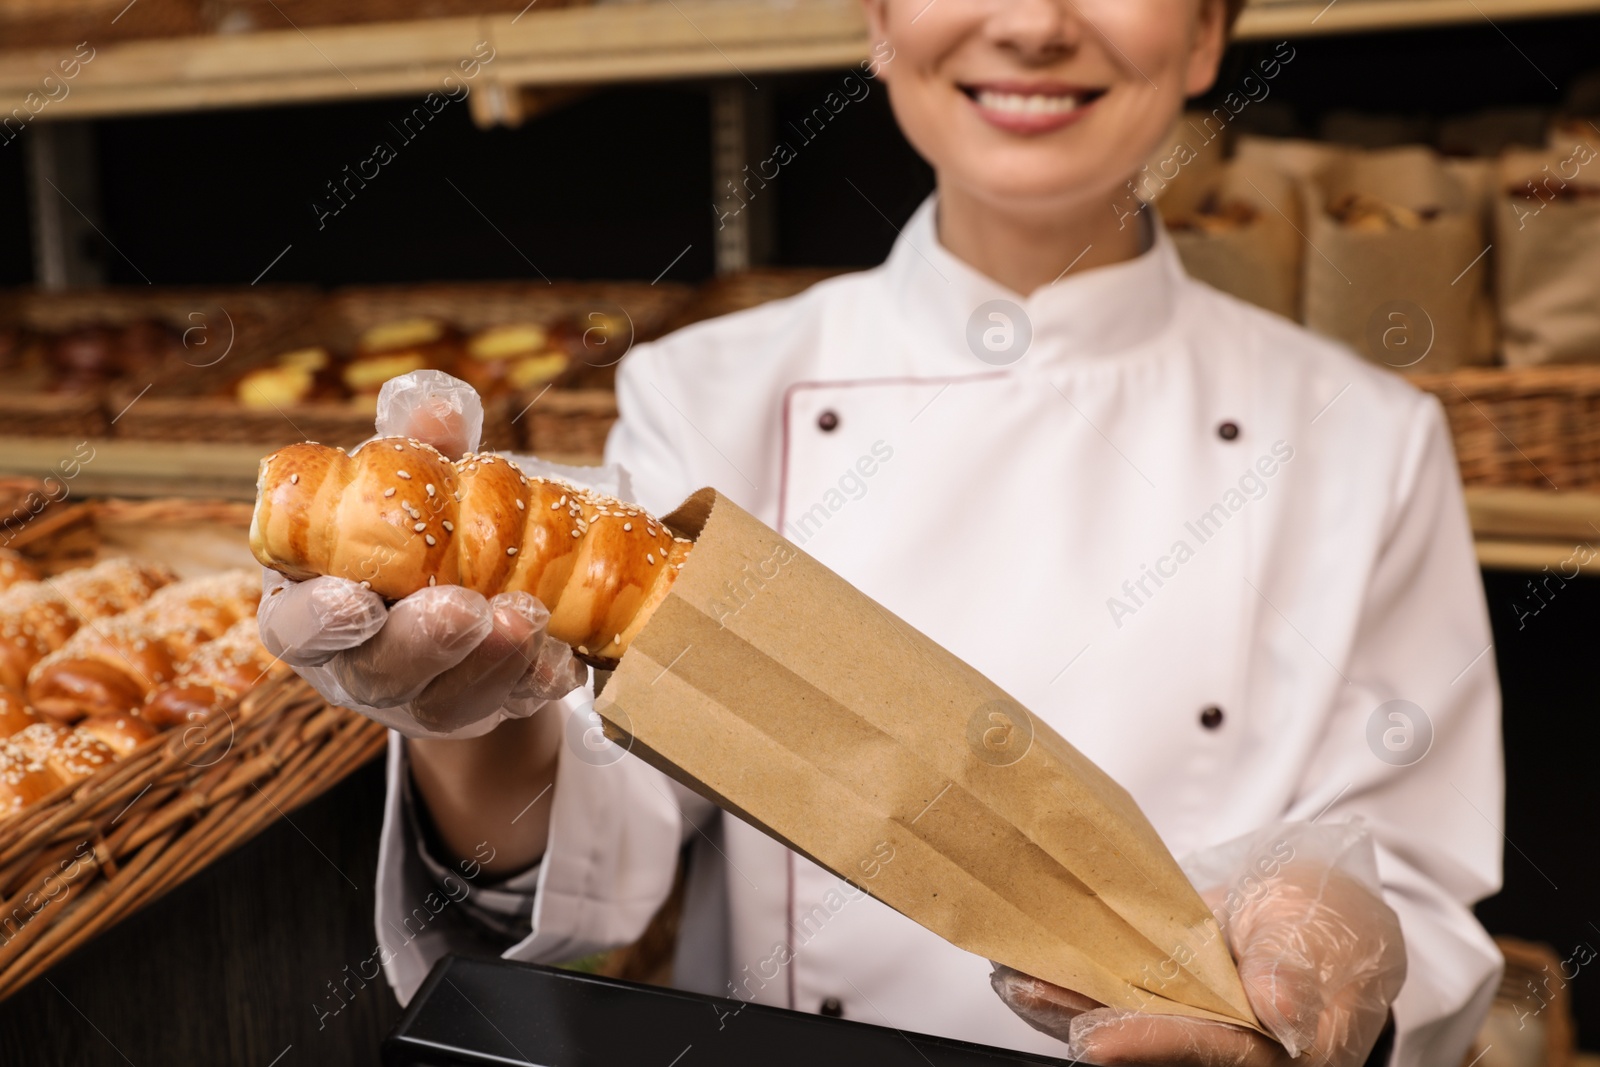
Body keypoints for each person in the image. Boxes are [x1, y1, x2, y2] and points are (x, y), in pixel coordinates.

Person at [259, 1, 1504, 1063]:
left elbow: (1417, 886)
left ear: (1206, 35)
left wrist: (1339, 951)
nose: (1029, 23)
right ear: (876, 20)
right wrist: (476, 710)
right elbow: (602, 854)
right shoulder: (713, 388)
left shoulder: (1364, 434)